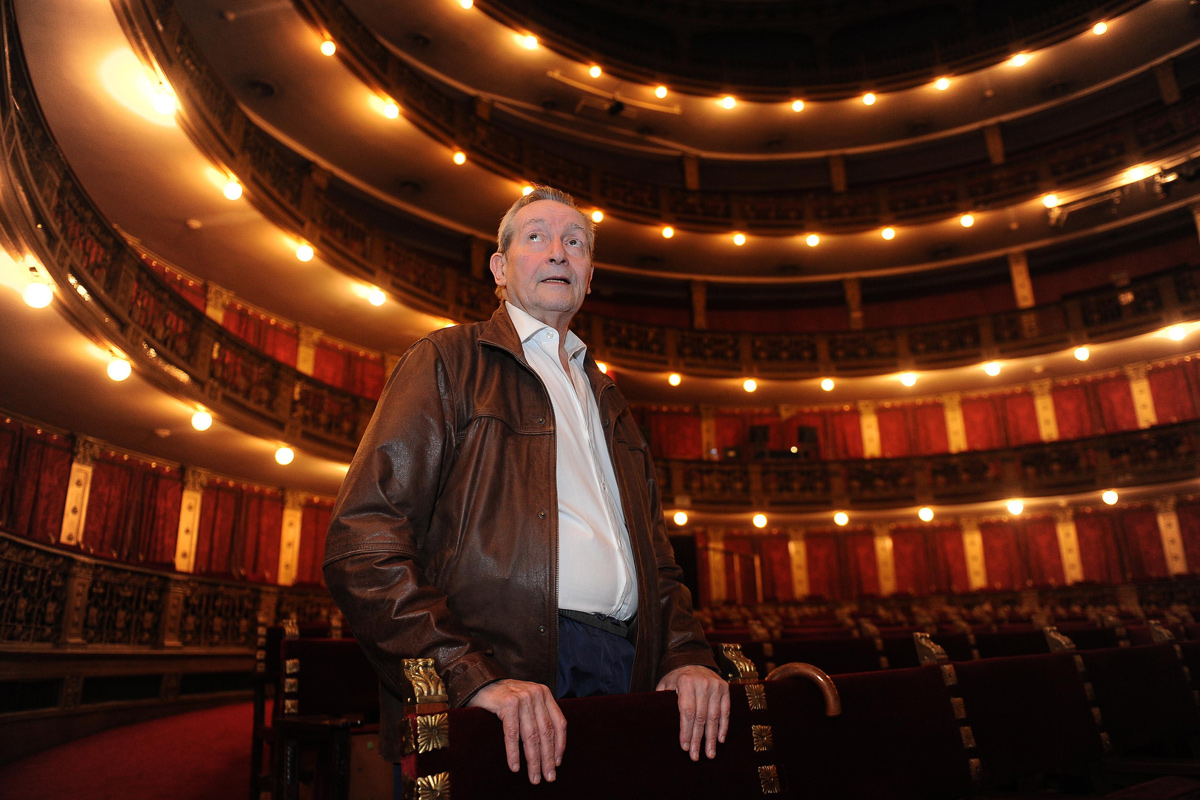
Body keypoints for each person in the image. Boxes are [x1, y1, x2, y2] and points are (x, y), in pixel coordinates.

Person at [324, 185, 728, 786]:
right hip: (505, 676)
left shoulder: (610, 398)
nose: (558, 253)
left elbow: (658, 562)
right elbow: (362, 542)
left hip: (628, 669)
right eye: (536, 237)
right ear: (499, 268)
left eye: (575, 242)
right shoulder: (447, 360)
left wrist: (686, 656)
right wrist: (468, 674)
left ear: (590, 275)